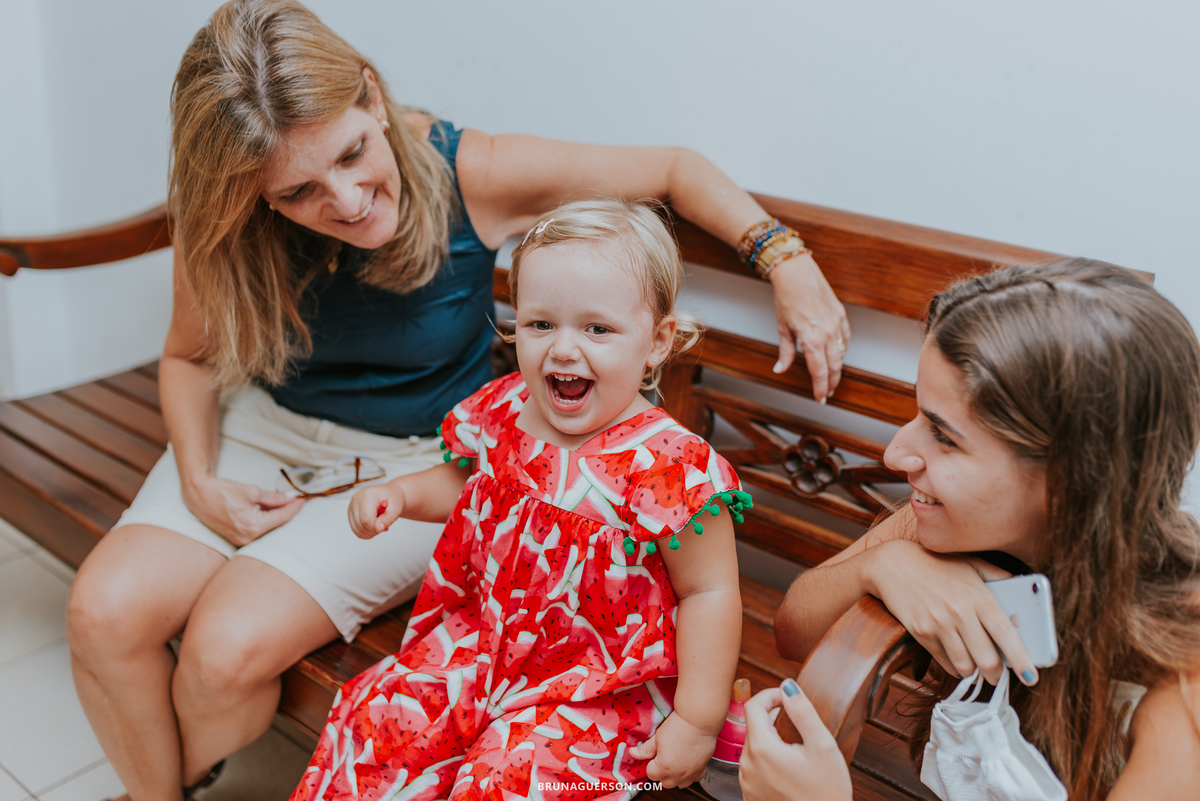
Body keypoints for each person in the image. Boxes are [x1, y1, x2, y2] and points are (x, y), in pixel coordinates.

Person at [62, 2, 851, 799]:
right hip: (261, 433)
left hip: (416, 455)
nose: (346, 200)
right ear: (251, 193)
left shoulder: (469, 170)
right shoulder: (226, 223)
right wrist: (199, 481)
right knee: (103, 614)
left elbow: (675, 169)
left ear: (373, 97)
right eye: (298, 191)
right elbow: (190, 359)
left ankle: (171, 770)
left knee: (222, 651)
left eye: (352, 153)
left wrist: (784, 259)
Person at [291, 200, 748, 801]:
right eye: (540, 324)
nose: (562, 349)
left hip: (598, 686)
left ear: (657, 341)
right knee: (384, 726)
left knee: (505, 783)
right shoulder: (506, 409)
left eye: (597, 328)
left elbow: (709, 593)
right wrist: (399, 495)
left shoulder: (669, 466)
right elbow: (463, 484)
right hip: (483, 640)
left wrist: (697, 721)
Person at [743, 260, 1200, 800]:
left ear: (1072, 478)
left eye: (945, 437)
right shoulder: (943, 523)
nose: (895, 454)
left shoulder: (1182, 685)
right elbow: (794, 632)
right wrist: (880, 565)